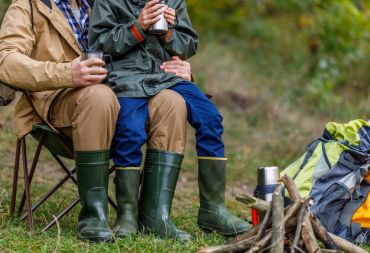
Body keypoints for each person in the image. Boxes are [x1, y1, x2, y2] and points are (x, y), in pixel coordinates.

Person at [0, 0, 191, 243]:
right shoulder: (27, 6)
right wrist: (68, 73)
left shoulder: (103, 4)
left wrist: (178, 70)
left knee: (171, 101)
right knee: (99, 96)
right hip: (58, 103)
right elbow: (5, 61)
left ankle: (155, 215)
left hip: (122, 97)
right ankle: (94, 217)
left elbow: (145, 46)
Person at [88, 0, 251, 241]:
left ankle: (212, 209)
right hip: (125, 79)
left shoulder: (174, 2)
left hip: (165, 76)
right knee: (130, 131)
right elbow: (99, 43)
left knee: (210, 118)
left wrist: (168, 33)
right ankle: (128, 215)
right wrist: (138, 27)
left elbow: (189, 45)